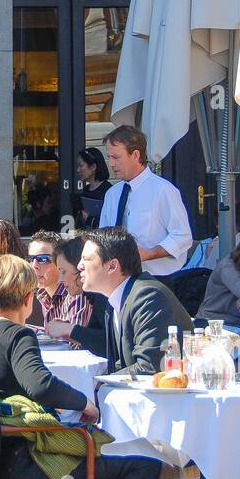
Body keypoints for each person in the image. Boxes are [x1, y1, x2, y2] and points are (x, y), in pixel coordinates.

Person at [0, 255, 165, 479]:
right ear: (28, 299)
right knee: (144, 464)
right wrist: (85, 404)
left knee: (109, 459)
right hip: (25, 460)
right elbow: (40, 385)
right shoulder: (18, 336)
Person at [56, 228, 192, 374]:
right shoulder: (115, 300)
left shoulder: (147, 296)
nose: (79, 266)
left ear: (112, 266)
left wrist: (100, 382)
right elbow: (120, 363)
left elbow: (150, 367)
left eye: (87, 259)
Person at [96, 126, 193, 276]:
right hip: (118, 280)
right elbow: (102, 237)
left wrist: (148, 254)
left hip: (156, 279)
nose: (111, 164)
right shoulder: (112, 194)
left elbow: (182, 236)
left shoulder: (163, 190)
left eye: (116, 157)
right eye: (109, 157)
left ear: (135, 155)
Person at [26, 231, 72, 326]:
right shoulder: (41, 294)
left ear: (61, 262)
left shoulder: (74, 296)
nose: (34, 266)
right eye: (30, 259)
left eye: (43, 259)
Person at [74, 147, 111, 227]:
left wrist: (90, 220)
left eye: (81, 166)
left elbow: (110, 220)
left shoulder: (108, 191)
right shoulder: (86, 190)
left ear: (93, 167)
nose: (78, 170)